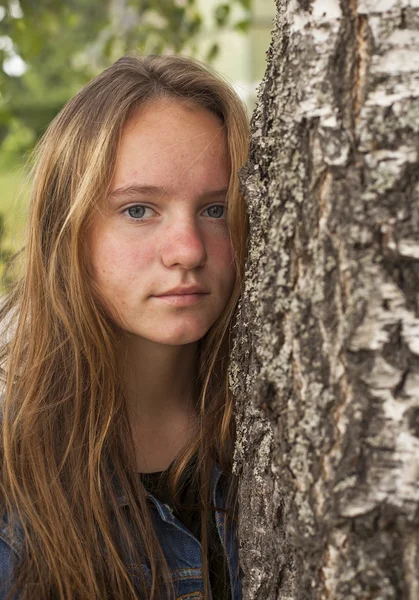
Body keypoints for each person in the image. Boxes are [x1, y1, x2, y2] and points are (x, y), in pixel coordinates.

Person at [0, 54, 249, 599]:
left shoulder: (277, 424)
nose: (186, 251)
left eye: (215, 209)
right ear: (67, 231)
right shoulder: (13, 466)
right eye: (139, 210)